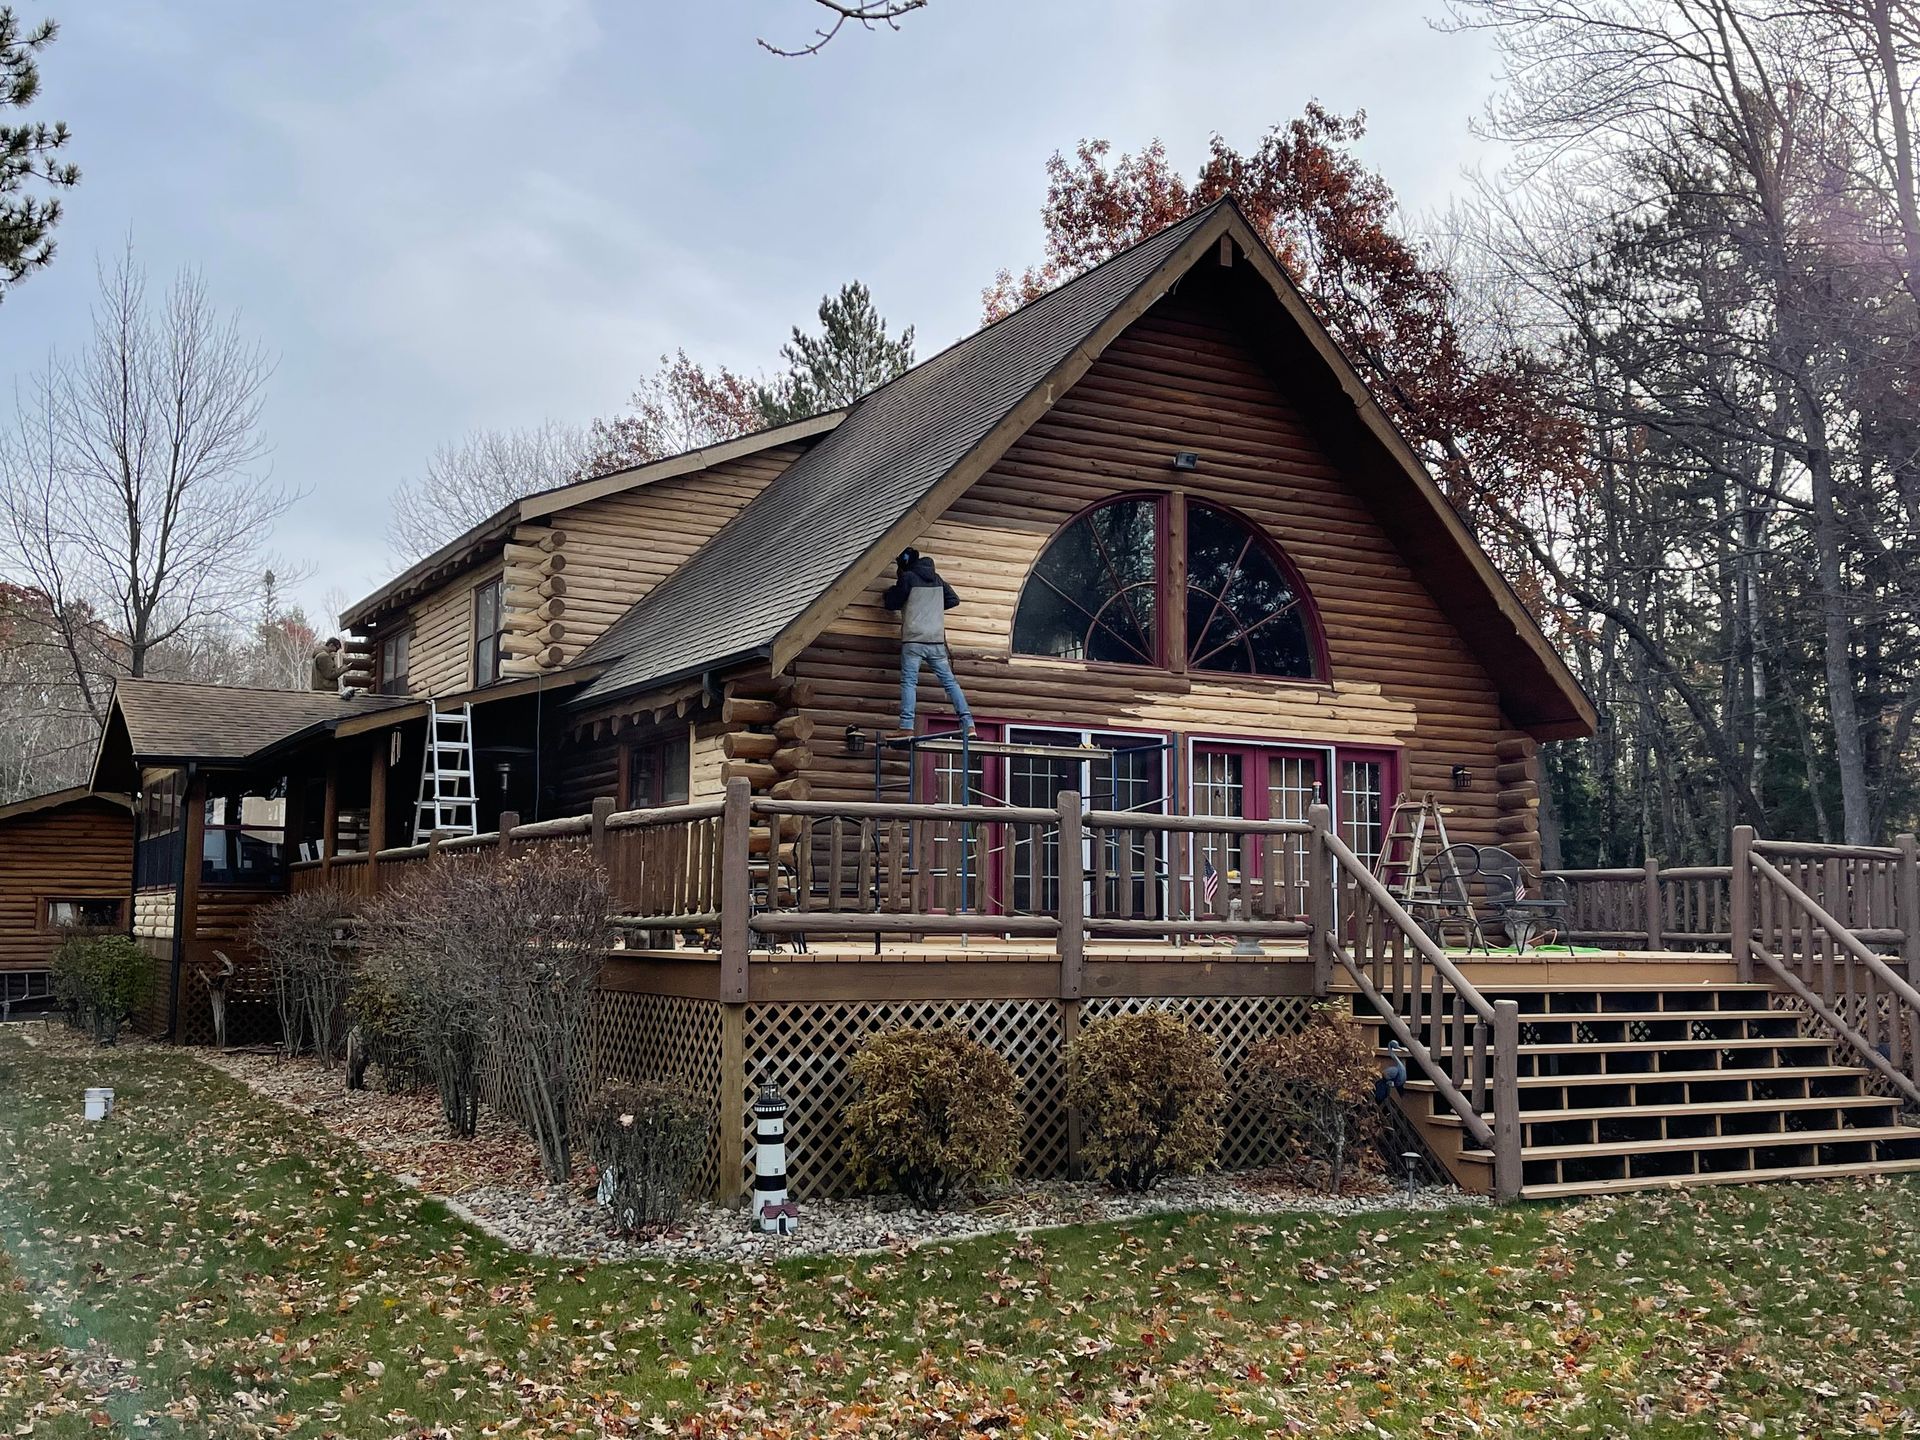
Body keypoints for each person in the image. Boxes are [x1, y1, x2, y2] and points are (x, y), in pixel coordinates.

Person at [883, 549, 975, 736]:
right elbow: (953, 600)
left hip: (914, 640)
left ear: (904, 564)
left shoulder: (907, 577)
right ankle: (968, 724)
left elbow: (893, 602)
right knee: (950, 683)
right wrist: (932, 608)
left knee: (909, 683)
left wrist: (888, 593)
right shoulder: (937, 579)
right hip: (936, 641)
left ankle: (906, 727)